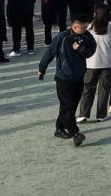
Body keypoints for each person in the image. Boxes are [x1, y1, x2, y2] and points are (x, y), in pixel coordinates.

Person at [37, 14, 96, 146]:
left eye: (86, 27)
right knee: (68, 105)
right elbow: (50, 52)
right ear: (74, 27)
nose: (85, 30)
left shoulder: (87, 36)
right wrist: (42, 68)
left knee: (70, 105)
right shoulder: (62, 37)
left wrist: (80, 48)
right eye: (83, 27)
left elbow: (90, 52)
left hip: (79, 76)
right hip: (63, 78)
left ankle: (59, 128)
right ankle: (75, 133)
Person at [79, 8, 111, 122]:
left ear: (95, 14)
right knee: (104, 89)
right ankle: (101, 114)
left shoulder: (89, 27)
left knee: (88, 88)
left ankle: (83, 114)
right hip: (108, 62)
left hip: (91, 63)